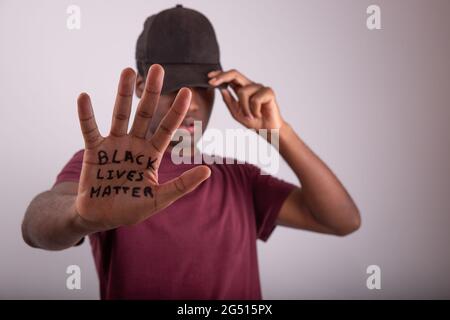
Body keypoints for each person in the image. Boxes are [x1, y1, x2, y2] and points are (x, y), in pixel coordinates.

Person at [21, 5, 360, 299]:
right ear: (141, 86)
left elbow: (342, 220)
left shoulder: (237, 178)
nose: (192, 104)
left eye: (203, 87)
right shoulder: (109, 168)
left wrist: (279, 130)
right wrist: (79, 218)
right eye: (174, 87)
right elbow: (34, 225)